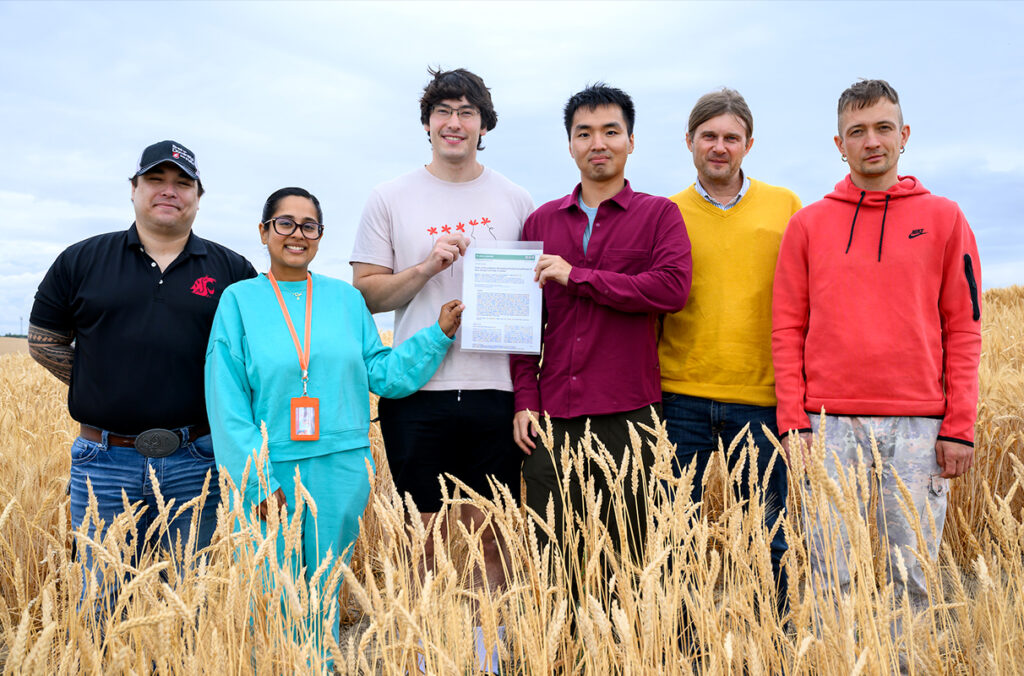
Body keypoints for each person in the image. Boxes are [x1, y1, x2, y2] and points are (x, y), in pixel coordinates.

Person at [205, 187, 463, 662]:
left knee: (323, 598)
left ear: (321, 237)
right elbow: (226, 398)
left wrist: (437, 335)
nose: (297, 234)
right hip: (272, 472)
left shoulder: (346, 300)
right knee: (274, 599)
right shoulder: (239, 301)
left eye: (309, 225)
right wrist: (256, 481)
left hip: (342, 470)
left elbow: (383, 373)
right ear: (264, 232)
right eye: (285, 223)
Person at [772, 79, 982, 623]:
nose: (872, 141)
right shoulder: (809, 225)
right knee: (829, 568)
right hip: (827, 425)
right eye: (857, 131)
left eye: (883, 128)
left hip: (918, 426)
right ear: (838, 143)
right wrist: (794, 423)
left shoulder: (944, 218)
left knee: (913, 571)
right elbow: (787, 329)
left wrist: (959, 426)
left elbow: (964, 328)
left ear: (904, 135)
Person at [349, 67, 533, 673]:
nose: (455, 123)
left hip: (494, 388)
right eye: (443, 111)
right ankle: (424, 652)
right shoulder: (390, 197)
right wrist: (428, 267)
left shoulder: (514, 199)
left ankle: (488, 656)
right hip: (417, 390)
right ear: (427, 121)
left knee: (492, 532)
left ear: (484, 125)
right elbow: (369, 295)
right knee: (420, 534)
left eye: (467, 112)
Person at [28, 140, 256, 600]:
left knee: (185, 603)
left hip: (198, 458)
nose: (169, 191)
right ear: (133, 189)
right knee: (100, 602)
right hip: (105, 461)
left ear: (198, 195)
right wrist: (100, 378)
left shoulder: (233, 270)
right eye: (156, 180)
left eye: (182, 183)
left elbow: (253, 358)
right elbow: (43, 340)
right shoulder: (82, 260)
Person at [511, 84, 692, 591]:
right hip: (551, 419)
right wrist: (524, 400)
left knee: (636, 557)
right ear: (569, 145)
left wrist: (579, 276)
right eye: (584, 133)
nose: (598, 143)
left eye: (611, 131)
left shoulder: (660, 216)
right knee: (555, 557)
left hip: (630, 414)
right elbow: (525, 326)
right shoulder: (540, 222)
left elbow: (671, 290)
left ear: (630, 141)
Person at [658, 88, 801, 613]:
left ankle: (773, 647)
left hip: (759, 399)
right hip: (679, 398)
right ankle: (680, 647)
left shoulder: (785, 206)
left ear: (749, 144)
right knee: (676, 538)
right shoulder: (665, 213)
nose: (720, 147)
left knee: (767, 535)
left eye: (731, 138)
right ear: (690, 142)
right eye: (709, 136)